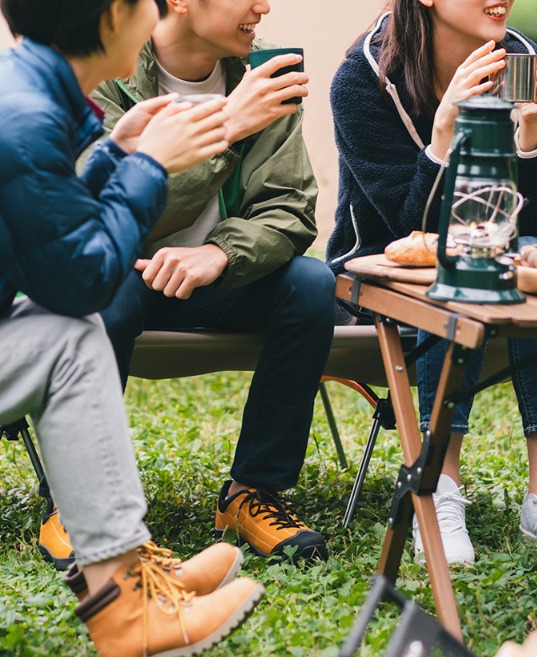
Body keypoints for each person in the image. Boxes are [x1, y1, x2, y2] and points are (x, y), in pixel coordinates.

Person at [0, 0, 265, 657]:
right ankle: (126, 605)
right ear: (115, 14)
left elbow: (55, 233)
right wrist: (150, 169)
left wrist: (118, 154)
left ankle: (133, 578)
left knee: (72, 331)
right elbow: (82, 277)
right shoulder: (20, 118)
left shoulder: (22, 92)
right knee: (73, 338)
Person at [35, 0, 337, 569]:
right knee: (108, 294)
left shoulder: (261, 80)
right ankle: (75, 504)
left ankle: (254, 492)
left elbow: (291, 209)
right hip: (121, 276)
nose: (263, 6)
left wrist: (220, 254)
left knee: (311, 283)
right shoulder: (105, 75)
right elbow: (92, 209)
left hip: (222, 280)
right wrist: (225, 131)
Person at [327, 0, 537, 564]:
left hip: (492, 255)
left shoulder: (520, 61)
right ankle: (438, 490)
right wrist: (444, 129)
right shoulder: (364, 77)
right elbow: (408, 226)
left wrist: (531, 133)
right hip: (381, 271)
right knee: (462, 265)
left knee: (534, 261)